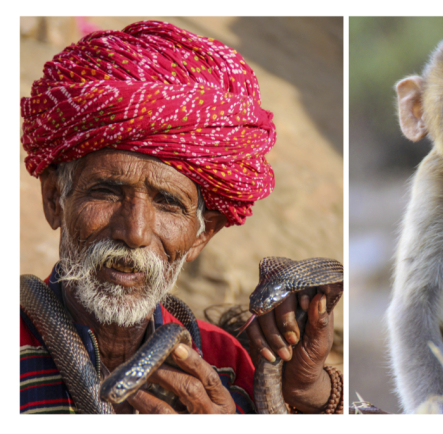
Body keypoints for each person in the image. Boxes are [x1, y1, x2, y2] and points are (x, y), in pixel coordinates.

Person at [19, 20, 340, 414]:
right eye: (106, 192)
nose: (134, 232)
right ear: (54, 199)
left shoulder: (229, 366)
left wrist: (310, 391)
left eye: (169, 203)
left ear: (203, 236)